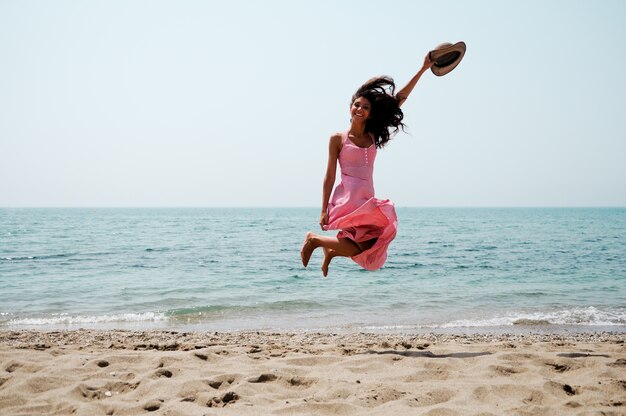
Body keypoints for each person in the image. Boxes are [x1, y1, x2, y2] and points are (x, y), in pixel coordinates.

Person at [300, 53, 434, 277]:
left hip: (366, 197)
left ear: (371, 113)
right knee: (368, 242)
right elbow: (329, 176)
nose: (359, 109)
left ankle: (330, 250)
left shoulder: (372, 135)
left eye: (365, 107)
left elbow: (399, 98)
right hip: (350, 198)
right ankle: (314, 240)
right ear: (350, 107)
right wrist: (323, 209)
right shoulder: (338, 138)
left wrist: (422, 70)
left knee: (368, 244)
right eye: (356, 105)